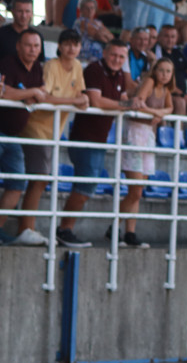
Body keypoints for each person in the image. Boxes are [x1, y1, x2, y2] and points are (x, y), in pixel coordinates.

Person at [9, 28, 89, 246]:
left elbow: (81, 95)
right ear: (59, 47)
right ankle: (25, 228)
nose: (72, 48)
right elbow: (46, 98)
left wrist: (81, 99)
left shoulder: (78, 67)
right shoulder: (51, 66)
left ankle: (26, 227)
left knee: (39, 180)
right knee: (39, 178)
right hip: (36, 128)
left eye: (76, 44)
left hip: (54, 131)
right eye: (67, 44)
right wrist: (74, 101)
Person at [56, 40, 138, 248]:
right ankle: (64, 229)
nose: (117, 60)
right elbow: (97, 101)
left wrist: (132, 102)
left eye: (121, 57)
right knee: (85, 186)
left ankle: (65, 229)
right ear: (104, 53)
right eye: (114, 55)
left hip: (99, 139)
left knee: (87, 186)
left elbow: (123, 97)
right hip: (85, 138)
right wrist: (126, 104)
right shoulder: (94, 69)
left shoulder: (118, 74)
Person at [115, 56, 173, 248]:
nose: (164, 75)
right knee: (136, 189)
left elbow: (170, 108)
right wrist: (156, 113)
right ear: (155, 70)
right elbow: (139, 102)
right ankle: (114, 225)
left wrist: (159, 113)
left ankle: (129, 232)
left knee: (138, 191)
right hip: (135, 133)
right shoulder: (149, 82)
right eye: (161, 70)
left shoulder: (166, 89)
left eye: (168, 71)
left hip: (148, 136)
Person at [0, 28, 48, 246]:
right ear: (18, 46)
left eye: (36, 46)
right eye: (28, 45)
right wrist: (30, 93)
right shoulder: (7, 63)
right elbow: (3, 92)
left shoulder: (38, 67)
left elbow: (42, 93)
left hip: (14, 135)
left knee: (17, 183)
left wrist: (32, 94)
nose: (32, 50)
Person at [72, 0, 113, 66]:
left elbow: (112, 38)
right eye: (86, 8)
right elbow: (98, 36)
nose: (90, 10)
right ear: (81, 9)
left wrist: (105, 36)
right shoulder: (80, 21)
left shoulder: (98, 22)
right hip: (86, 55)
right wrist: (105, 35)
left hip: (100, 55)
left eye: (92, 8)